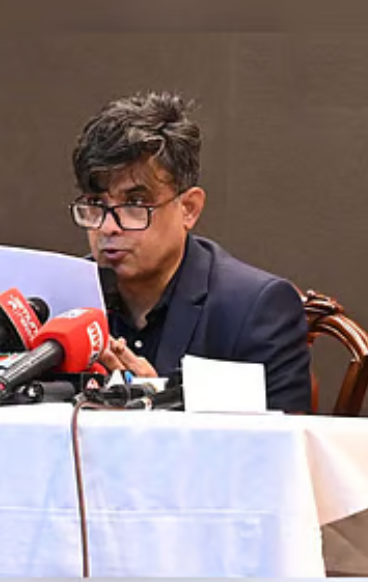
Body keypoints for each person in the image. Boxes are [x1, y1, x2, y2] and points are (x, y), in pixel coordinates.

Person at [69, 92, 311, 413]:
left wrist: (157, 408)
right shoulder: (66, 298)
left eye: (135, 204)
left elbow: (278, 440)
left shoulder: (255, 309)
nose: (108, 227)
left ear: (189, 208)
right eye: (96, 204)